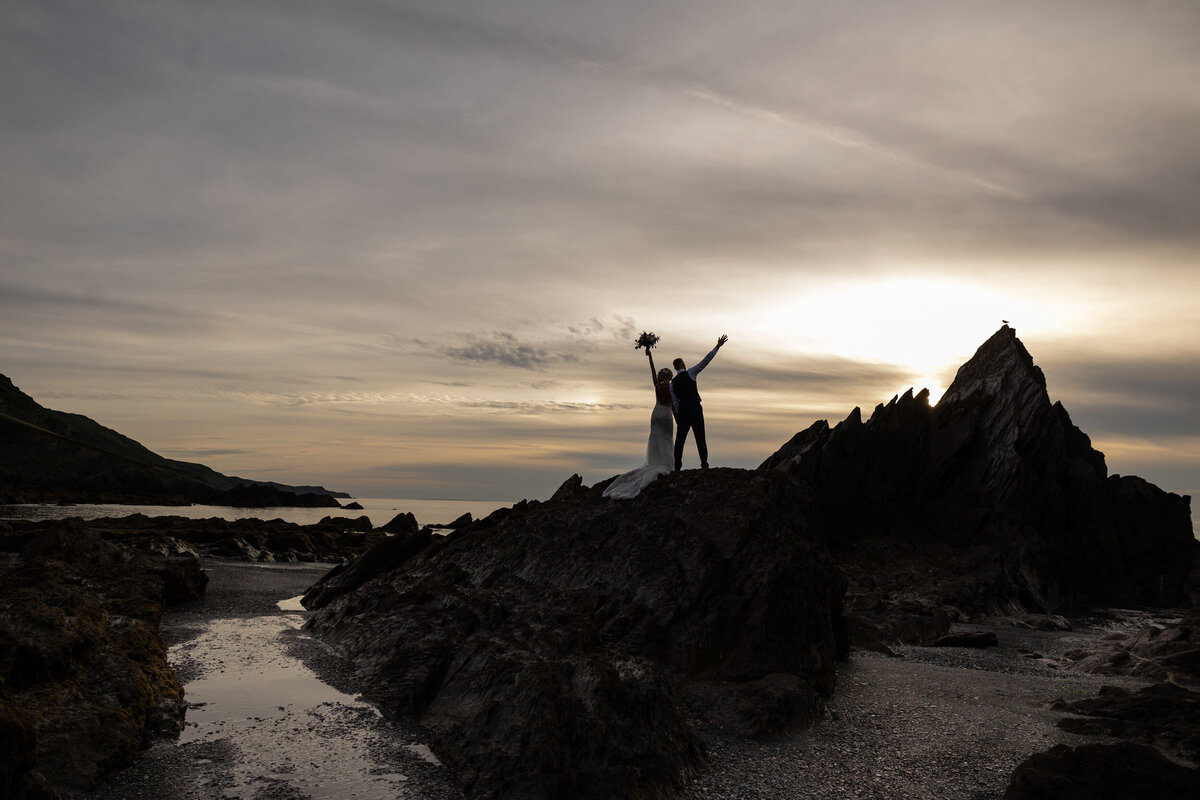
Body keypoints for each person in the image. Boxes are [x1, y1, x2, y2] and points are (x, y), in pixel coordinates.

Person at [603, 348, 676, 499]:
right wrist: (678, 419)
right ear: (670, 376)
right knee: (666, 439)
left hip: (656, 414)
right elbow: (674, 406)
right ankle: (666, 463)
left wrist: (650, 356)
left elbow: (652, 370)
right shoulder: (672, 387)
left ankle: (656, 461)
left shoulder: (657, 385)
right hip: (666, 414)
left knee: (656, 438)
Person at [670, 334, 728, 471]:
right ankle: (704, 465)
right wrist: (717, 347)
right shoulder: (691, 372)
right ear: (683, 364)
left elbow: (675, 402)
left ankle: (677, 466)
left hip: (683, 410)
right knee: (700, 438)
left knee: (680, 441)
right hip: (695, 408)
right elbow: (705, 361)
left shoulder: (672, 384)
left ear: (675, 368)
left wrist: (679, 417)